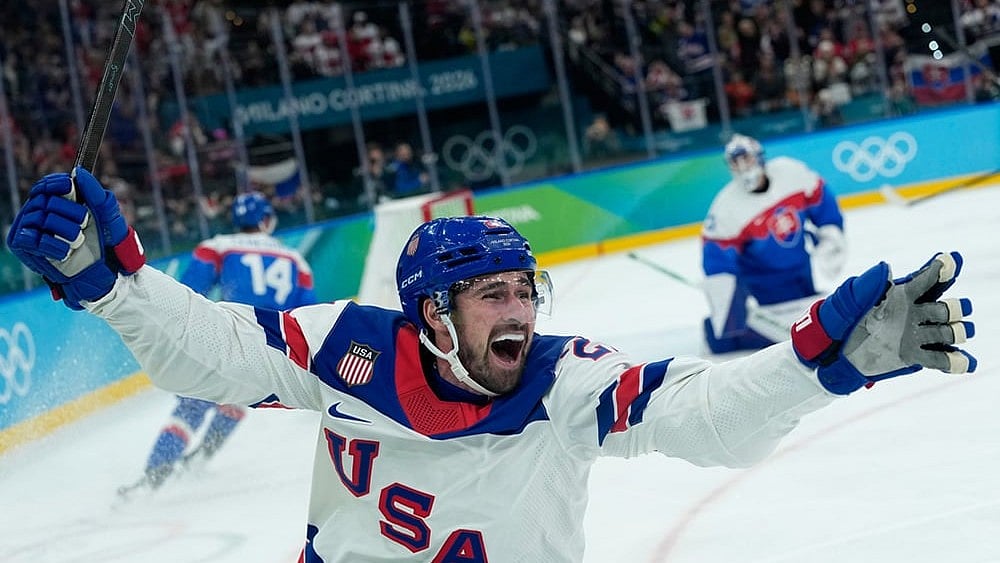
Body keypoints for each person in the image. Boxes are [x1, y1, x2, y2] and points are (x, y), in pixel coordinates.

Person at [7, 168, 977, 561]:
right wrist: (114, 285)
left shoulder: (565, 384)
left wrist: (818, 367)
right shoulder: (348, 348)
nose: (518, 309)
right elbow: (213, 347)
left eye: (524, 290)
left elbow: (707, 412)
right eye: (492, 295)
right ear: (430, 313)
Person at [120, 191, 318, 496]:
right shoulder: (296, 260)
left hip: (224, 337)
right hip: (268, 351)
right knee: (239, 399)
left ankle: (152, 478)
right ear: (266, 220)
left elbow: (186, 294)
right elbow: (309, 314)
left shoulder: (218, 247)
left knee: (194, 403)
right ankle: (198, 462)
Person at [701, 134, 847, 354]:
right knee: (791, 334)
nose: (742, 167)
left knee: (813, 321)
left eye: (746, 159)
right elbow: (717, 259)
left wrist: (830, 235)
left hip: (801, 267)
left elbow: (821, 200)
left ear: (759, 157)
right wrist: (728, 299)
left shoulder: (790, 172)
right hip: (764, 282)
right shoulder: (726, 207)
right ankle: (715, 330)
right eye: (735, 162)